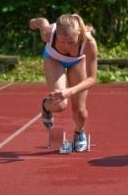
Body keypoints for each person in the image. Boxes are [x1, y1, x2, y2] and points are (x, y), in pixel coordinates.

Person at [29, 14, 98, 153]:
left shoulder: (89, 42)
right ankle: (46, 106)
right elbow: (37, 22)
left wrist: (70, 91)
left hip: (77, 61)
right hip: (53, 59)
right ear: (56, 35)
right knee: (59, 105)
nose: (66, 46)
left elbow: (92, 79)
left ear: (79, 34)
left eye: (71, 42)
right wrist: (39, 22)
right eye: (62, 42)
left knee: (80, 112)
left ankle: (79, 132)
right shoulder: (48, 33)